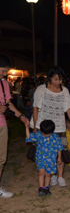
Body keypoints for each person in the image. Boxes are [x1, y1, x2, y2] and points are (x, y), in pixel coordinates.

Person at [32, 66, 70, 188]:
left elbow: (68, 109)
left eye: (60, 79)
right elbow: (35, 107)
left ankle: (60, 176)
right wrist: (36, 126)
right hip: (45, 127)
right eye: (55, 79)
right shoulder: (42, 89)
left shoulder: (65, 91)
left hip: (60, 126)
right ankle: (51, 176)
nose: (58, 82)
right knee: (48, 153)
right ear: (50, 78)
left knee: (61, 151)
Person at [0, 54, 30, 198]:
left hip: (2, 124)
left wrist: (21, 116)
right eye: (3, 71)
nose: (5, 74)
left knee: (1, 159)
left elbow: (8, 103)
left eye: (6, 71)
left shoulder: (4, 83)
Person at [26, 120, 63, 196]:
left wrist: (59, 157)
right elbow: (29, 137)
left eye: (48, 133)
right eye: (44, 133)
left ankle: (46, 188)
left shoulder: (55, 137)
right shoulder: (38, 135)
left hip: (51, 160)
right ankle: (40, 188)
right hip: (40, 159)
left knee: (48, 174)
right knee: (41, 173)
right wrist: (27, 128)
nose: (45, 135)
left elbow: (59, 147)